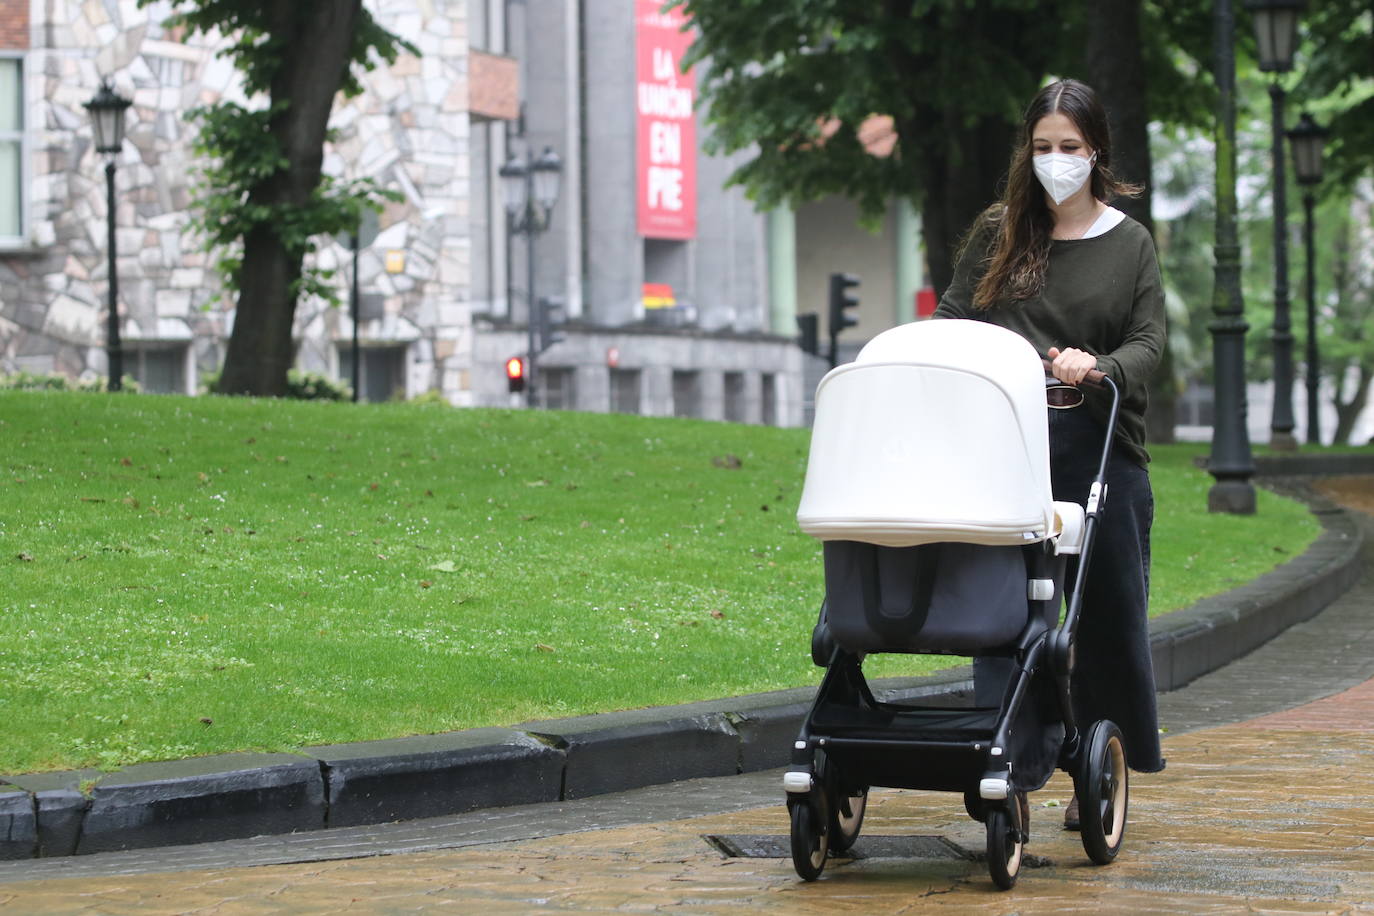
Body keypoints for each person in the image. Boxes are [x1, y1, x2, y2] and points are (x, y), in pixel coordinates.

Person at [933, 78, 1167, 828]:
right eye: (1042, 148)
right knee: (1006, 614)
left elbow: (1150, 340)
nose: (1055, 161)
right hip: (1007, 444)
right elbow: (951, 318)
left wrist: (1098, 367)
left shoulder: (1129, 244)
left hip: (1096, 444)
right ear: (1026, 152)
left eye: (1069, 148)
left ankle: (1101, 765)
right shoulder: (1001, 232)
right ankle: (1014, 763)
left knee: (1103, 620)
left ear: (1096, 151)